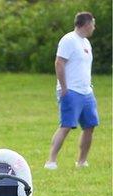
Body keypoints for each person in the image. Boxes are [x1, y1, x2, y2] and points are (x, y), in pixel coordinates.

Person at [45, 12, 98, 170]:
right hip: (70, 91)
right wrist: (64, 87)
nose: (94, 27)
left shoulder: (86, 43)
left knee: (90, 126)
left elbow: (82, 67)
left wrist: (88, 85)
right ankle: (51, 161)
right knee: (66, 125)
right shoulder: (69, 40)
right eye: (93, 24)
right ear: (86, 24)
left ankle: (81, 161)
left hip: (86, 92)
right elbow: (59, 63)